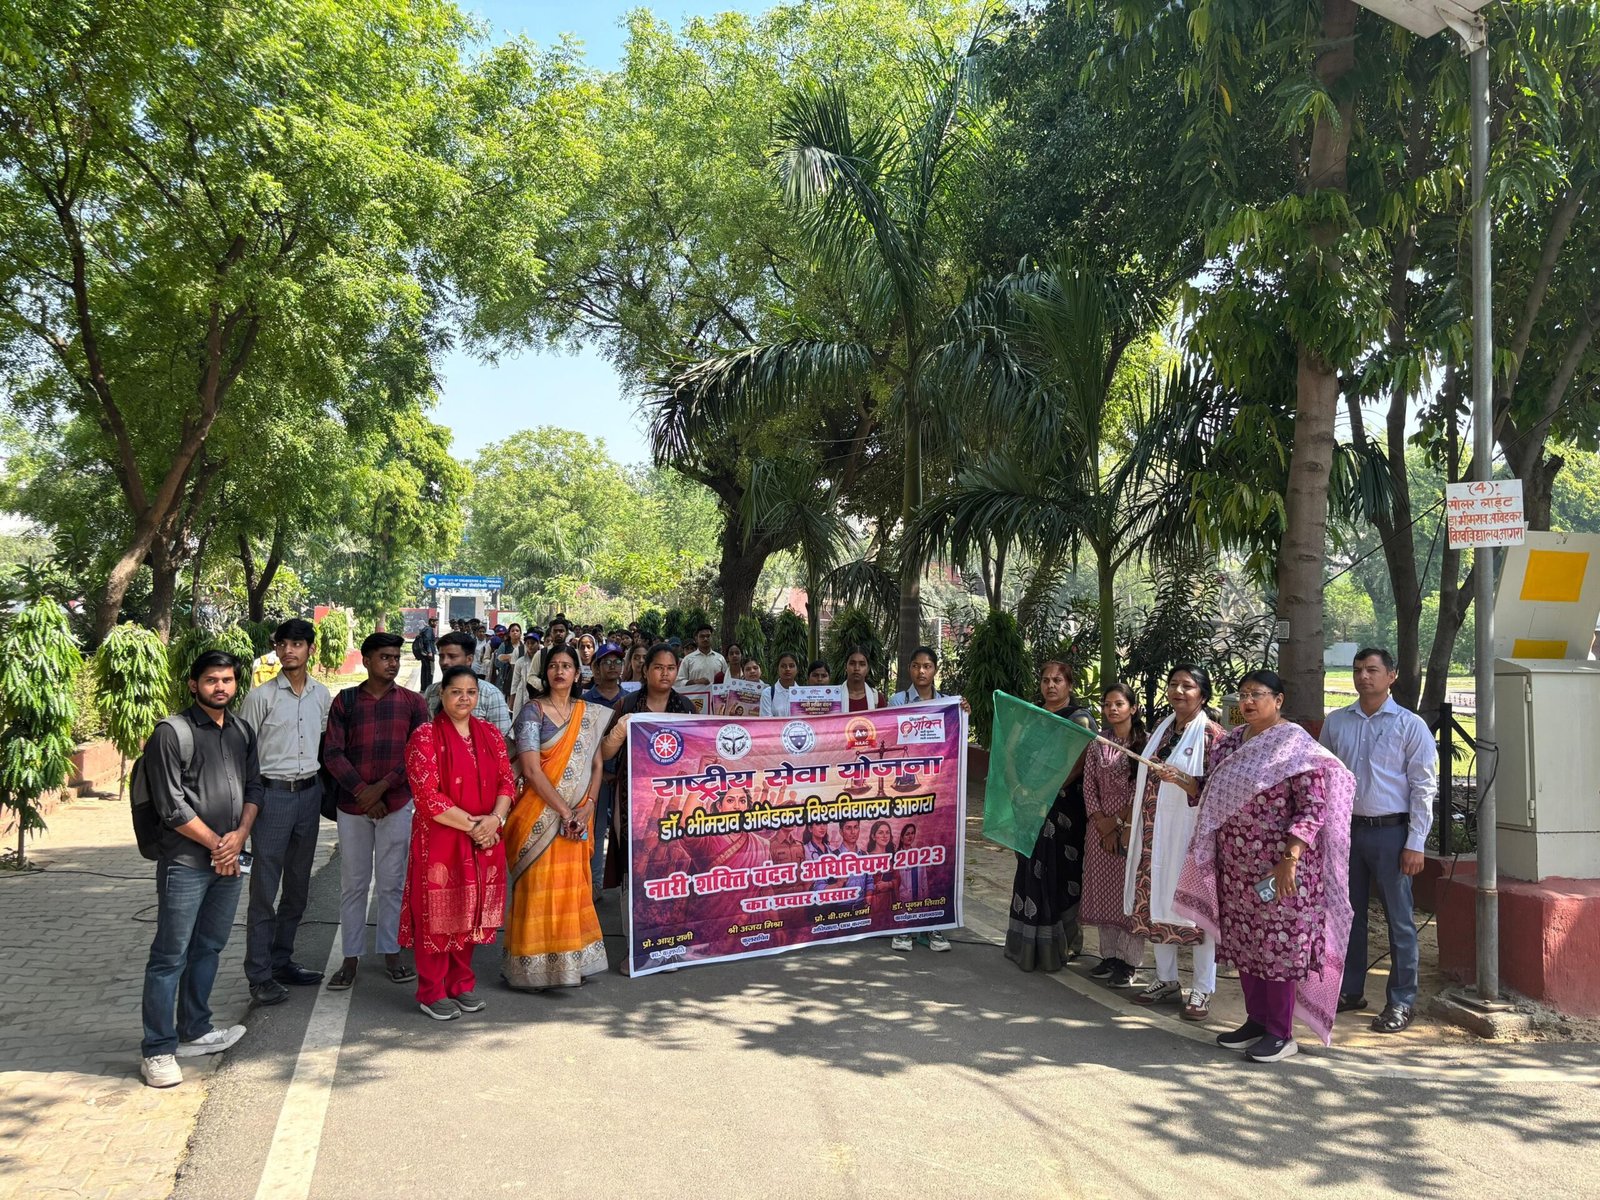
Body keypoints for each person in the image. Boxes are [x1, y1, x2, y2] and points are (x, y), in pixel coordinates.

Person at [1175, 670, 1356, 1061]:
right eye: (1242, 694)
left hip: (1281, 871)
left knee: (1278, 947)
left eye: (1257, 694)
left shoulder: (1296, 747)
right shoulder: (1229, 745)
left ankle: (1281, 1032)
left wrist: (1290, 858)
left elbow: (1312, 809)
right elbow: (1213, 793)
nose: (1248, 702)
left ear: (1279, 700)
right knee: (1245, 943)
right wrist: (1187, 784)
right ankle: (1256, 1020)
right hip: (1236, 868)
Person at [139, 651, 261, 1089]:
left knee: (208, 947)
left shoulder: (242, 731)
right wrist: (218, 845)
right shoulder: (173, 733)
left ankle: (194, 1029)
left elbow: (254, 786)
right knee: (169, 955)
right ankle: (157, 1048)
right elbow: (171, 806)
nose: (221, 687)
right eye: (212, 680)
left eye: (228, 680)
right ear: (194, 684)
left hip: (228, 861)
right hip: (186, 863)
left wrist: (240, 835)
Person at [1319, 647, 1437, 1034]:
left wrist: (1416, 841)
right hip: (1346, 833)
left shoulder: (1409, 725)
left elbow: (1423, 785)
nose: (1363, 677)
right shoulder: (1336, 723)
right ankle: (1349, 990)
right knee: (1346, 915)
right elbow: (1324, 780)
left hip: (1392, 833)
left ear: (1392, 675)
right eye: (1357, 670)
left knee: (1400, 920)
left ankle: (1401, 1001)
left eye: (1372, 670)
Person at [398, 665, 513, 1020]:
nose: (464, 699)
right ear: (441, 696)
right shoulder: (425, 737)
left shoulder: (492, 735)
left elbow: (507, 784)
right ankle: (431, 991)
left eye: (471, 692)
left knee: (470, 911)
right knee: (439, 913)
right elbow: (428, 798)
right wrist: (476, 826)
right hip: (443, 840)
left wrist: (494, 820)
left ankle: (461, 984)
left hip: (485, 838)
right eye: (456, 692)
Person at [321, 632, 431, 992]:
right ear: (366, 660)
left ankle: (391, 952)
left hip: (397, 804)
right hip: (353, 806)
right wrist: (362, 791)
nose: (393, 663)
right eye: (385, 657)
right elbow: (332, 753)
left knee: (391, 883)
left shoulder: (414, 703)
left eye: (396, 657)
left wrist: (380, 789)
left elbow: (418, 753)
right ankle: (349, 958)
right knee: (353, 884)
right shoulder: (346, 701)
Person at [237, 618, 332, 1007]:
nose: (289, 651)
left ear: (310, 649)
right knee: (264, 888)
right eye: (283, 644)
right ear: (276, 649)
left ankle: (282, 960)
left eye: (297, 644)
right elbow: (241, 754)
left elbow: (324, 746)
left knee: (297, 887)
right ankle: (258, 974)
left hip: (308, 795)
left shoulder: (321, 695)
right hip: (270, 797)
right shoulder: (260, 698)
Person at [503, 644, 609, 989]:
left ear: (578, 674)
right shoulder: (533, 712)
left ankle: (568, 965)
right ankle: (532, 969)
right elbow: (531, 770)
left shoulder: (588, 712)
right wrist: (565, 812)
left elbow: (596, 763)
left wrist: (589, 805)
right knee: (538, 889)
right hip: (538, 817)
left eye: (567, 666)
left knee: (571, 889)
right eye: (554, 666)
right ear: (545, 673)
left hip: (578, 815)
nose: (560, 671)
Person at [1125, 664, 1225, 1020]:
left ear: (1203, 693)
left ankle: (1201, 989)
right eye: (1173, 684)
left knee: (1195, 912)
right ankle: (1166, 980)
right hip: (1154, 834)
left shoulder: (1213, 736)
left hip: (1190, 839)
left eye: (1188, 686)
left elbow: (1216, 791)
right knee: (1157, 901)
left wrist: (1184, 780)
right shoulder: (1163, 731)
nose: (1178, 691)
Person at [598, 643, 696, 972]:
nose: (664, 673)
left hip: (673, 805)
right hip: (633, 805)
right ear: (645, 670)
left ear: (677, 671)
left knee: (670, 872)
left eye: (670, 668)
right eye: (658, 667)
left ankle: (668, 946)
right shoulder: (628, 704)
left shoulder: (685, 707)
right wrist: (623, 728)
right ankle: (636, 949)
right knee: (635, 872)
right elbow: (606, 754)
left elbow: (696, 754)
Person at [1005, 658, 1094, 972]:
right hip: (1026, 805)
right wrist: (1017, 787)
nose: (1051, 685)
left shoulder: (1080, 718)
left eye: (1058, 680)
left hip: (1062, 808)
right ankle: (1025, 946)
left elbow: (1079, 763)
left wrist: (1044, 793)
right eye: (1046, 680)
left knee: (1059, 871)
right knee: (1028, 869)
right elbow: (1008, 751)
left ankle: (1061, 945)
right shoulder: (1030, 715)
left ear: (1070, 684)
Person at [886, 646, 967, 952]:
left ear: (936, 670)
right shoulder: (898, 701)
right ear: (909, 669)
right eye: (917, 666)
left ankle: (934, 926)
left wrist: (963, 715)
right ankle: (904, 927)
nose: (922, 672)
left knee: (935, 857)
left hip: (938, 793)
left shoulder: (948, 704)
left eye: (928, 666)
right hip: (905, 793)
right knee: (907, 861)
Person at [1081, 683, 1147, 989]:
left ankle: (1128, 961)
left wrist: (1119, 823)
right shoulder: (1098, 743)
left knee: (1128, 894)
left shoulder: (1143, 744)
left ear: (1132, 708)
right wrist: (1100, 821)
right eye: (1107, 705)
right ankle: (1108, 955)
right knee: (1103, 890)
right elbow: (1088, 785)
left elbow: (1141, 788)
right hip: (1098, 828)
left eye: (1119, 704)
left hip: (1130, 827)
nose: (1112, 709)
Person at [582, 643, 627, 898]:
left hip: (623, 775)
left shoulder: (630, 699)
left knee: (624, 831)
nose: (613, 666)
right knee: (596, 830)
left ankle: (625, 886)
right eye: (606, 662)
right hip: (595, 775)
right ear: (596, 668)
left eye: (617, 661)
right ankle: (594, 885)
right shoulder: (586, 700)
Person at [424, 631, 513, 738]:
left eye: (452, 656)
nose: (444, 662)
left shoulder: (490, 694)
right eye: (442, 657)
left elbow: (503, 739)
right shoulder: (432, 691)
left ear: (469, 659)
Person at [759, 652, 801, 716]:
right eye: (783, 666)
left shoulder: (803, 694)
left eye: (791, 666)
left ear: (797, 670)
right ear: (777, 670)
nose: (787, 669)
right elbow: (766, 721)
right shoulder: (768, 693)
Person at [841, 647, 882, 711]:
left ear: (868, 669)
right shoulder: (834, 697)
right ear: (845, 667)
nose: (857, 668)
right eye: (852, 663)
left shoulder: (877, 698)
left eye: (862, 664)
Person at [494, 623, 523, 699]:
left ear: (520, 633)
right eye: (512, 631)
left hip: (520, 677)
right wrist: (508, 657)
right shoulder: (504, 645)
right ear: (509, 633)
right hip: (505, 677)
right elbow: (497, 662)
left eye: (517, 630)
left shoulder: (524, 646)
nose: (515, 632)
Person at [413, 616, 439, 691]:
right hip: (428, 654)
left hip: (424, 654)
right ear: (431, 622)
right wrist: (430, 652)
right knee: (430, 671)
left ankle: (424, 688)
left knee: (424, 670)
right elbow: (427, 641)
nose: (436, 624)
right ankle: (429, 689)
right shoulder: (429, 629)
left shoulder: (425, 629)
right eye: (435, 622)